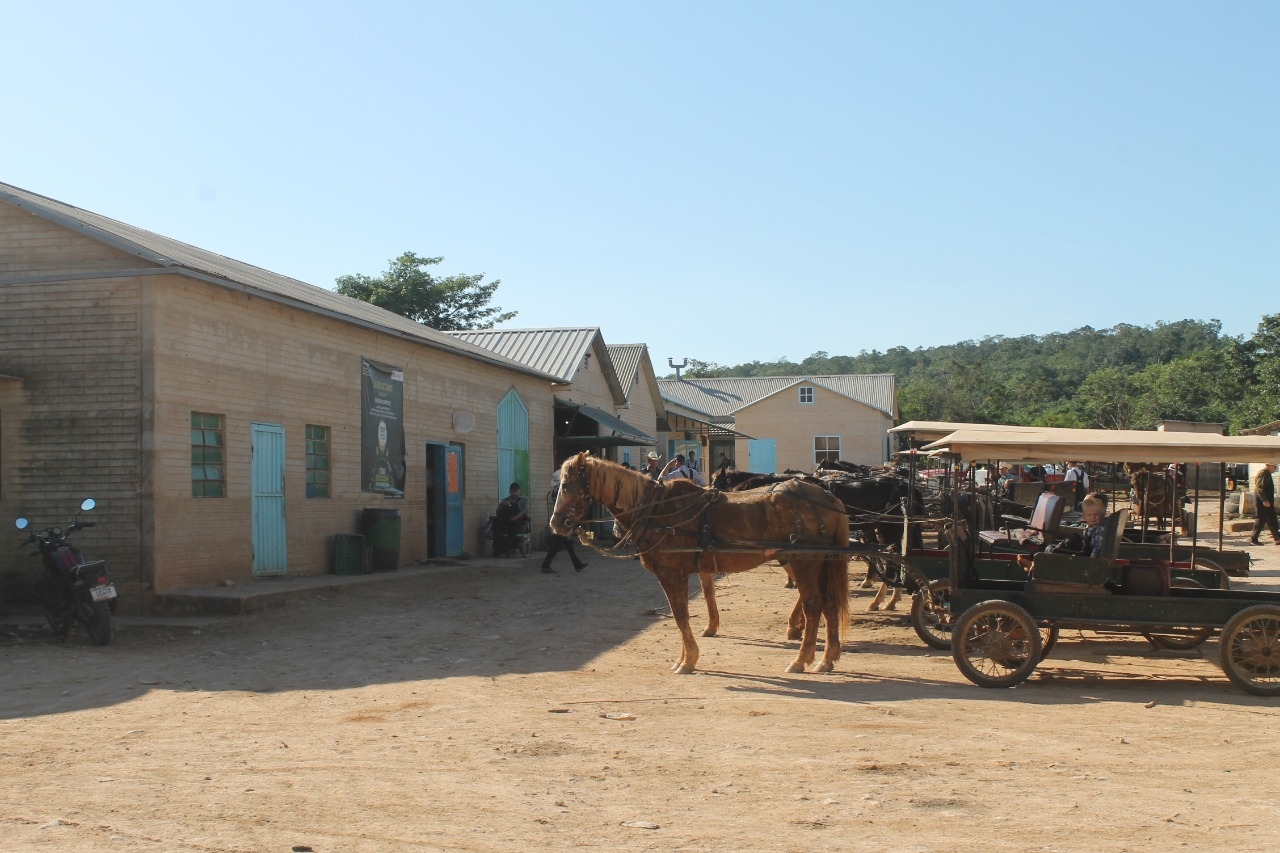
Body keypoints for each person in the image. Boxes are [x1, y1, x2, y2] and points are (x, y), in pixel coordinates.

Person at [542, 473, 587, 573]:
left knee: (567, 542)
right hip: (562, 520)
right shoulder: (560, 491)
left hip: (560, 519)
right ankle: (545, 565)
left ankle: (577, 564)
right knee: (558, 543)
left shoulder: (555, 490)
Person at [492, 482, 530, 557]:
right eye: (513, 490)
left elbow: (524, 511)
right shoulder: (505, 500)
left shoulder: (524, 499)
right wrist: (502, 505)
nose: (514, 492)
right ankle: (498, 547)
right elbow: (498, 512)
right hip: (506, 520)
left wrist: (515, 517)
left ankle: (510, 547)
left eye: (516, 490)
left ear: (519, 491)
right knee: (497, 524)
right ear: (510, 491)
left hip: (518, 520)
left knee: (514, 526)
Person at [1250, 462, 1280, 546]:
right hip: (1261, 500)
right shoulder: (1262, 473)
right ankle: (1253, 538)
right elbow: (1259, 488)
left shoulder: (1268, 474)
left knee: (1272, 519)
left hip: (1268, 500)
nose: (1275, 468)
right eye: (1274, 466)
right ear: (1269, 465)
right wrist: (1264, 500)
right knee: (1260, 519)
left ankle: (1277, 538)